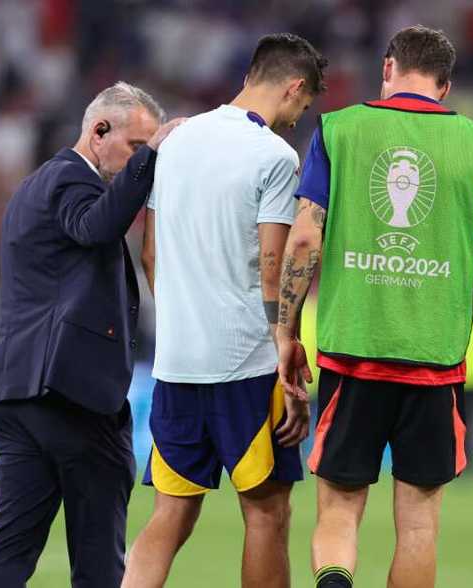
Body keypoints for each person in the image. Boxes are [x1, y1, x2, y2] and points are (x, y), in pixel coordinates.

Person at [275, 26, 473, 588]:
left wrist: (285, 333)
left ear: (388, 69)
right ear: (445, 85)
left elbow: (305, 240)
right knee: (418, 527)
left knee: (338, 508)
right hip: (433, 363)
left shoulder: (338, 131)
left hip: (352, 355)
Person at [121, 34, 327, 588]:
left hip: (178, 361)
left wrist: (187, 316)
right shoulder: (276, 156)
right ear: (294, 87)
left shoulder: (179, 142)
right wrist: (286, 346)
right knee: (266, 512)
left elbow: (151, 252)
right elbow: (273, 263)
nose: (294, 120)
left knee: (170, 513)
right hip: (248, 363)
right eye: (300, 108)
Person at [0, 82, 183, 588]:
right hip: (68, 395)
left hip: (18, 393)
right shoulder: (71, 181)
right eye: (135, 145)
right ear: (98, 131)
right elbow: (94, 227)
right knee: (97, 557)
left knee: (12, 547)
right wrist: (151, 159)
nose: (141, 159)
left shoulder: (37, 185)